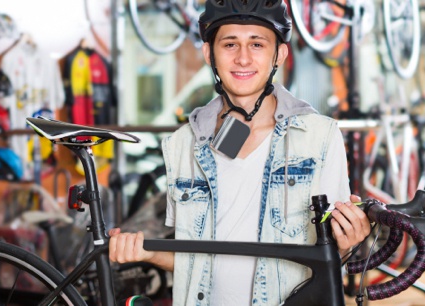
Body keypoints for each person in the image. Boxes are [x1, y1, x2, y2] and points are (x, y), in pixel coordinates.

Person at [109, 0, 371, 305]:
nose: (243, 58)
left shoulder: (320, 137)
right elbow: (198, 264)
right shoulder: (182, 144)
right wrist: (148, 252)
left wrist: (348, 241)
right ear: (210, 54)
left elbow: (328, 254)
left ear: (280, 54)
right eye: (230, 44)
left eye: (257, 44)